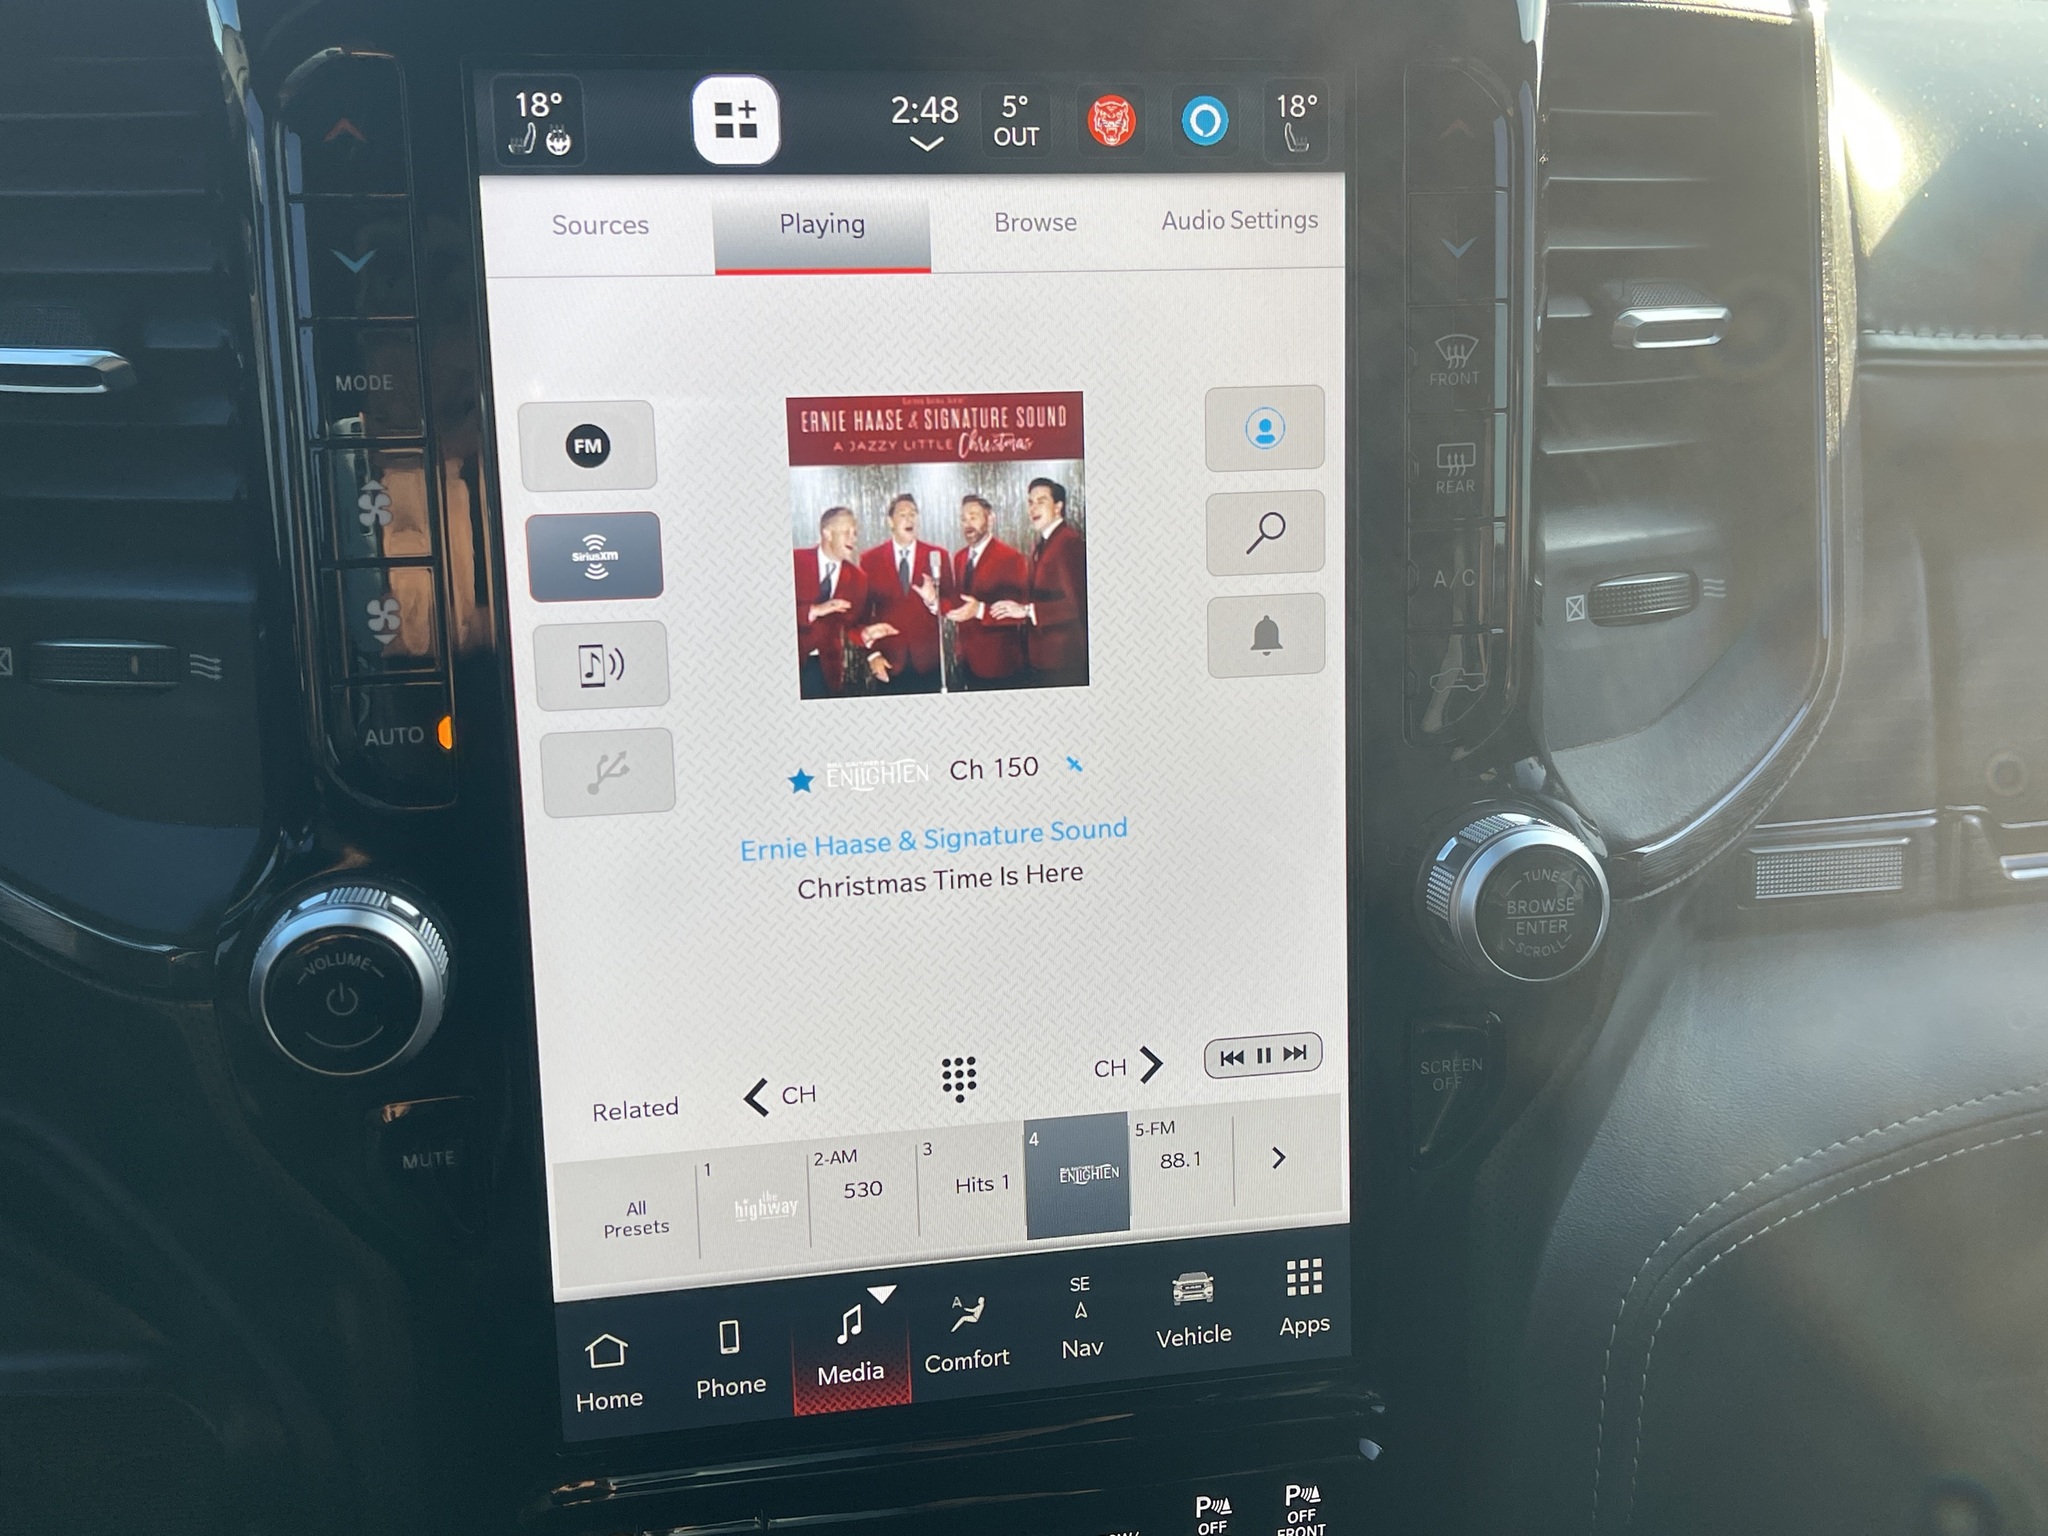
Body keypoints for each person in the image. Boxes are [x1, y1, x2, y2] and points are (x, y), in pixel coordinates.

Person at [989, 477, 1087, 688]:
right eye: (1030, 502)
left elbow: (1078, 605)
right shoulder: (1043, 543)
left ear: (1058, 507)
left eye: (1041, 501)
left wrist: (1027, 611)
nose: (1033, 508)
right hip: (1043, 658)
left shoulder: (1069, 542)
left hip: (1063, 662)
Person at [794, 507, 894, 698]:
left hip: (827, 672)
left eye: (854, 533)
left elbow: (854, 626)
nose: (853, 539)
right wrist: (812, 611)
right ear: (827, 533)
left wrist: (866, 635)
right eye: (846, 532)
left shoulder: (859, 579)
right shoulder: (795, 561)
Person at [858, 493, 952, 694]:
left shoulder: (937, 556)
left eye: (913, 514)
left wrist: (933, 601)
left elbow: (951, 604)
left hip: (929, 661)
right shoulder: (870, 560)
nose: (909, 519)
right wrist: (872, 655)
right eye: (902, 514)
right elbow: (862, 615)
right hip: (888, 661)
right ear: (890, 521)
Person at [944, 493, 1027, 689]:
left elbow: (1021, 614)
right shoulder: (959, 558)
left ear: (990, 519)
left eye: (973, 516)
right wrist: (933, 599)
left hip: (999, 664)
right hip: (966, 659)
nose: (967, 524)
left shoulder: (1011, 558)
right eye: (963, 519)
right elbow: (960, 602)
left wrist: (980, 610)